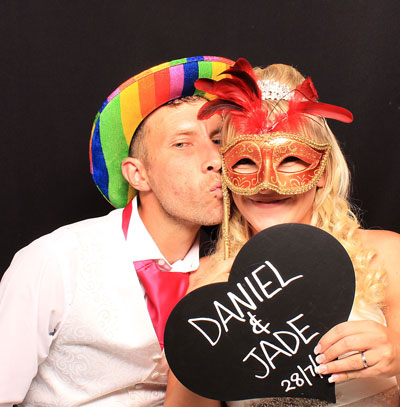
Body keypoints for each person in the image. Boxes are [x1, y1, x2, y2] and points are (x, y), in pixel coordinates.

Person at [0, 55, 234, 407]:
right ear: (138, 175)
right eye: (182, 143)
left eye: (217, 139)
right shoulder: (56, 260)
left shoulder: (232, 269)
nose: (215, 158)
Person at [164, 59, 400, 406]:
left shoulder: (385, 255)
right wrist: (202, 339)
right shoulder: (205, 284)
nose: (267, 183)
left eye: (291, 160)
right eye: (245, 162)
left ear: (322, 171)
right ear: (226, 174)